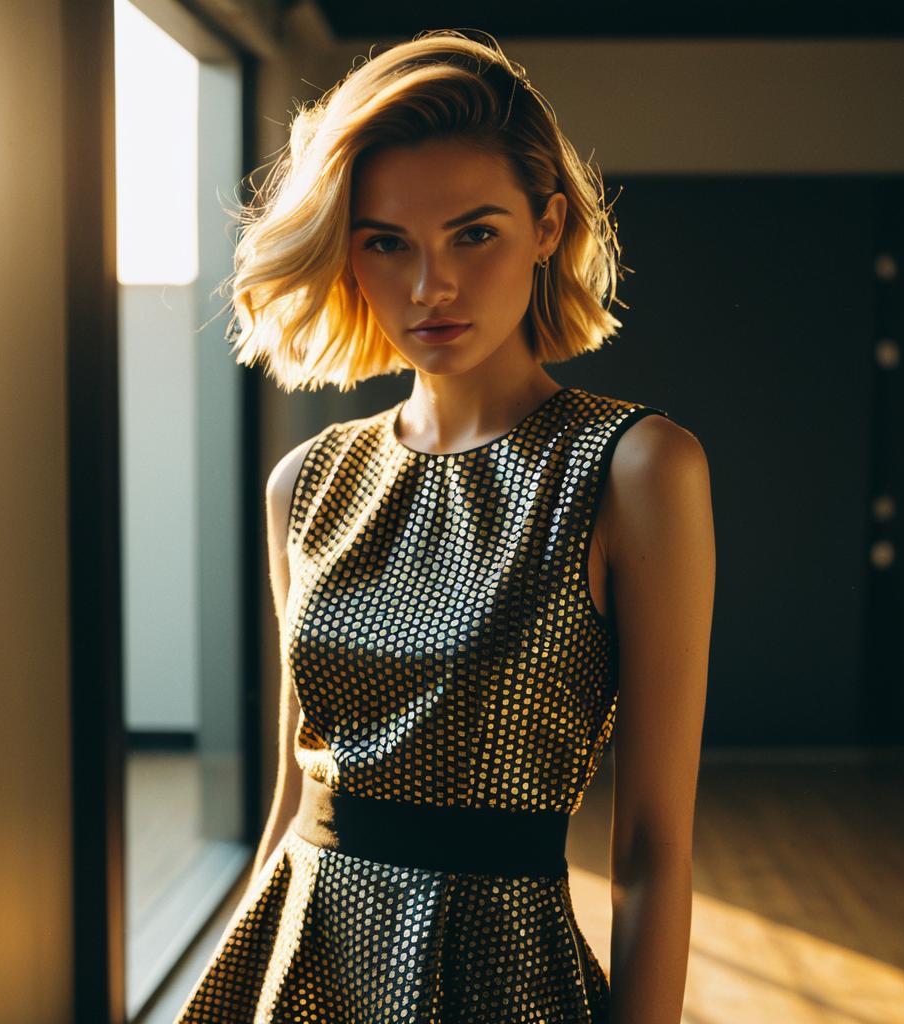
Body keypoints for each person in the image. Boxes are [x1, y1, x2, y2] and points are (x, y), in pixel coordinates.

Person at [175, 28, 715, 1024]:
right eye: (387, 241)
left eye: (474, 233)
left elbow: (650, 846)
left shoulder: (635, 469)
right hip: (299, 961)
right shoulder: (306, 482)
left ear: (547, 226)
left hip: (498, 973)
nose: (430, 286)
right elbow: (296, 800)